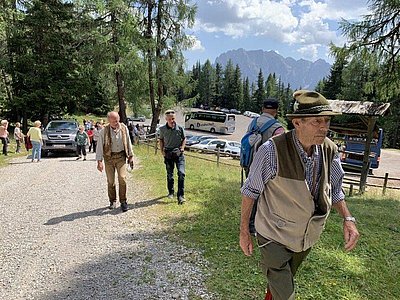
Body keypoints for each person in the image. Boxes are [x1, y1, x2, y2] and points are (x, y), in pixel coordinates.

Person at [239, 90, 360, 300]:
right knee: (286, 294)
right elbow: (250, 192)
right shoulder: (271, 151)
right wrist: (244, 231)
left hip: (305, 238)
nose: (324, 127)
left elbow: (336, 189)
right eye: (317, 121)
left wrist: (348, 219)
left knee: (279, 286)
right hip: (273, 235)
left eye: (327, 121)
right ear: (297, 123)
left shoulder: (329, 149)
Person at [245, 98, 285, 235]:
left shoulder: (253, 123)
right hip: (267, 168)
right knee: (266, 197)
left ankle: (250, 224)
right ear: (276, 110)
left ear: (262, 109)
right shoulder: (277, 128)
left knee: (251, 193)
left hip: (249, 163)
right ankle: (258, 225)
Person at [96, 112, 133, 212]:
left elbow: (128, 141)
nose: (116, 123)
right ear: (109, 121)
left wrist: (130, 155)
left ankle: (123, 201)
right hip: (109, 158)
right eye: (113, 121)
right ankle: (112, 201)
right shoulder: (103, 131)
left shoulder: (124, 128)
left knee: (122, 179)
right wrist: (99, 161)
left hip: (121, 157)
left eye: (117, 120)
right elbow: (99, 146)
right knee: (111, 181)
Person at [159, 110, 186, 205]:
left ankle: (181, 196)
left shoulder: (180, 128)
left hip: (179, 154)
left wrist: (182, 148)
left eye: (173, 118)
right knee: (170, 175)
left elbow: (184, 138)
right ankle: (171, 192)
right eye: (169, 119)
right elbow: (161, 140)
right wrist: (162, 151)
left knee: (181, 174)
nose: (172, 121)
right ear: (166, 119)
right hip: (168, 154)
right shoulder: (162, 129)